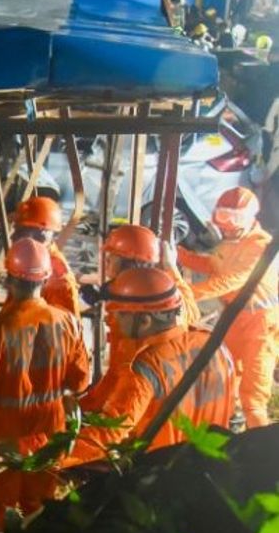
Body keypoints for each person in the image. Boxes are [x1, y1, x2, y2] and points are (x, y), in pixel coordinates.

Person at [0, 237, 90, 532]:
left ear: (9, 277)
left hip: (7, 434)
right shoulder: (68, 322)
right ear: (45, 278)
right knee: (40, 509)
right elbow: (80, 382)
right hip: (50, 431)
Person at [68, 268, 235, 464]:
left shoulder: (146, 368)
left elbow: (108, 434)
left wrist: (48, 458)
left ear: (145, 320)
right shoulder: (214, 343)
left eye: (118, 314)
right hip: (212, 468)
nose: (109, 319)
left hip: (163, 479)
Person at [177, 187, 278, 428]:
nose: (227, 224)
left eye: (234, 218)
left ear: (250, 218)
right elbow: (213, 266)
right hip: (234, 318)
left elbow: (230, 280)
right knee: (227, 376)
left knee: (253, 397)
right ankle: (233, 425)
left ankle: (263, 457)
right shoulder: (232, 241)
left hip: (261, 325)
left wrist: (185, 295)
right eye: (223, 216)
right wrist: (178, 255)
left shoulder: (259, 246)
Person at [81, 224, 201, 409]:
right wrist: (170, 267)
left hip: (140, 400)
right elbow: (192, 311)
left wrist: (90, 406)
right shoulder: (164, 290)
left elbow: (118, 373)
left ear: (129, 263)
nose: (106, 263)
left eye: (111, 258)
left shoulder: (131, 311)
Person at [12, 196, 80, 320]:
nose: (13, 237)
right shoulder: (28, 262)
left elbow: (62, 334)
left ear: (42, 234)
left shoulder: (59, 279)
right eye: (16, 230)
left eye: (20, 232)